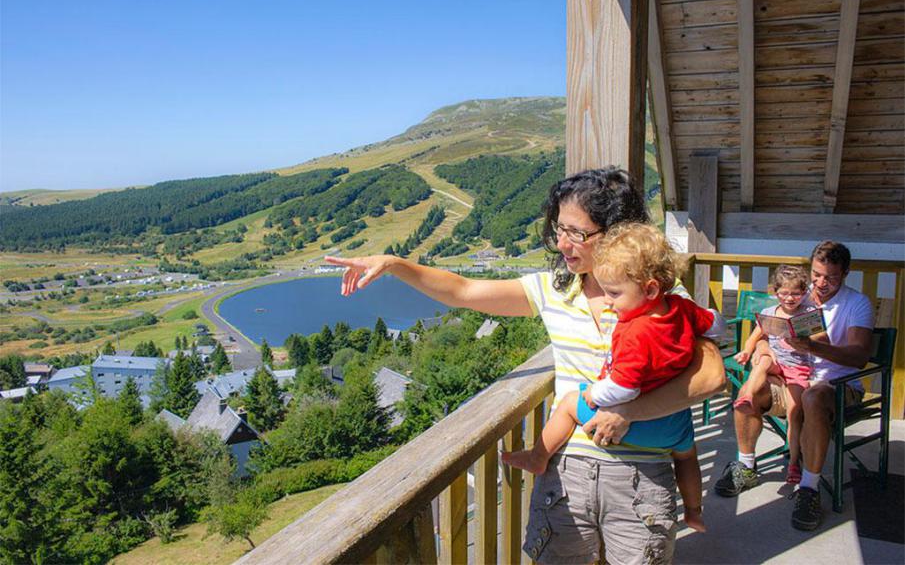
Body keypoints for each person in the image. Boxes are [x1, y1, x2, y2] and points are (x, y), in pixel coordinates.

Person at [326, 167, 726, 564]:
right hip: (567, 469)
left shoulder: (659, 295)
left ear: (615, 231)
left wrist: (625, 412)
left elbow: (711, 376)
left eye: (577, 233)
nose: (562, 243)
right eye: (559, 230)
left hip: (643, 473)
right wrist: (396, 264)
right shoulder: (554, 291)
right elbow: (463, 291)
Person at [501, 222, 724, 533]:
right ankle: (693, 510)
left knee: (568, 402)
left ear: (649, 289)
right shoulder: (680, 307)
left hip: (637, 427)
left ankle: (538, 456)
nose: (608, 301)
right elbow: (715, 324)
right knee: (687, 458)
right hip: (674, 424)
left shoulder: (635, 331)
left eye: (615, 294)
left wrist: (593, 394)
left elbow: (625, 386)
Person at [714, 241, 873, 532]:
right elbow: (766, 332)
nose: (821, 283)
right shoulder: (797, 294)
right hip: (789, 378)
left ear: (846, 274)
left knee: (813, 396)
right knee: (751, 390)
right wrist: (762, 352)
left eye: (831, 277)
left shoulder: (856, 304)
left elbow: (860, 357)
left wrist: (814, 347)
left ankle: (808, 488)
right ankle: (746, 466)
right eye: (816, 274)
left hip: (837, 384)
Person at [731, 265, 821, 484]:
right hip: (776, 363)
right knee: (763, 360)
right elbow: (755, 336)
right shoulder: (770, 313)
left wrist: (807, 344)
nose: (789, 298)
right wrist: (746, 351)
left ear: (804, 293)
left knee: (794, 414)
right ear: (775, 292)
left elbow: (821, 338)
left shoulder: (808, 314)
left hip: (798, 369)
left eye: (796, 293)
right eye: (784, 293)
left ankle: (792, 463)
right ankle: (747, 396)